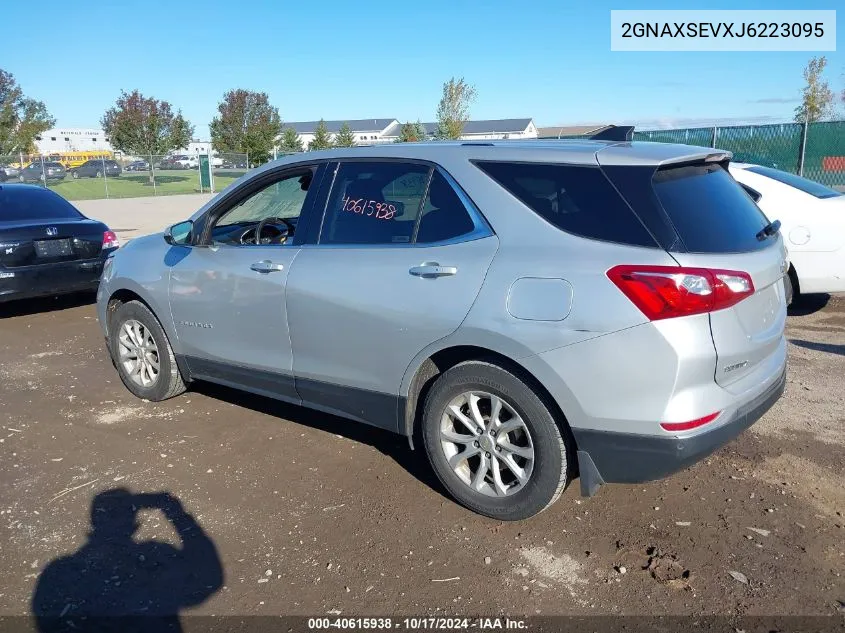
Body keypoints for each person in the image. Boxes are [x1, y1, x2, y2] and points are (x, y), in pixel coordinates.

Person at [32, 489, 223, 633]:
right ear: (134, 524)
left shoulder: (59, 573)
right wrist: (175, 512)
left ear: (94, 522)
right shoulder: (155, 560)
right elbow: (208, 578)